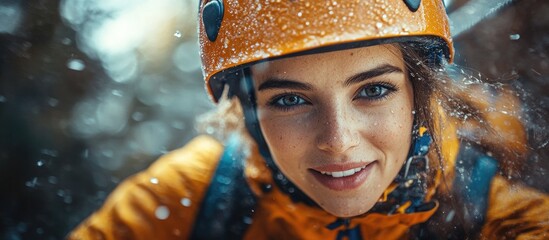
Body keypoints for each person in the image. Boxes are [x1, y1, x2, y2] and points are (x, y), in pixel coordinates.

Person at [68, 0, 549, 239]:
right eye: (289, 101)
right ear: (249, 110)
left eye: (374, 90)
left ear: (418, 94)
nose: (338, 142)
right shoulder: (184, 201)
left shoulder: (509, 222)